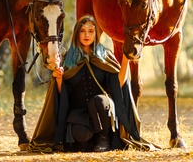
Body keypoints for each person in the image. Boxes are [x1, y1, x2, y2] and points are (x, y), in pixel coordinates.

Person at [28, 15, 157, 153]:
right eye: (82, 31)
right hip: (78, 114)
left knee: (100, 101)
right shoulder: (67, 59)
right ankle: (87, 141)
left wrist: (125, 60)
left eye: (91, 31)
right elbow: (62, 94)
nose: (86, 35)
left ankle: (103, 139)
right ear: (77, 33)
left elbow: (118, 85)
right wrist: (58, 79)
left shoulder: (105, 56)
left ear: (96, 34)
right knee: (81, 135)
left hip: (102, 111)